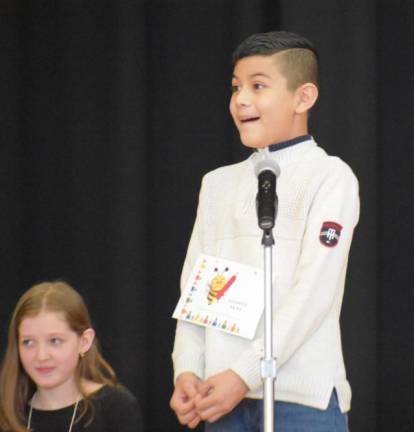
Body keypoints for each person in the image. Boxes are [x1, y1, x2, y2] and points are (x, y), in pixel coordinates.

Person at [170, 30, 359, 431]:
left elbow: (314, 293)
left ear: (303, 97)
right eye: (236, 87)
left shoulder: (330, 176)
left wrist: (245, 373)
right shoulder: (217, 184)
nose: (241, 100)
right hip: (221, 398)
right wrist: (187, 370)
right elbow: (197, 291)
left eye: (258, 86)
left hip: (300, 398)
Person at [0, 281, 142, 432]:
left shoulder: (116, 408)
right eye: (28, 342)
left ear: (84, 341)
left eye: (55, 341)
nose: (41, 356)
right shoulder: (10, 413)